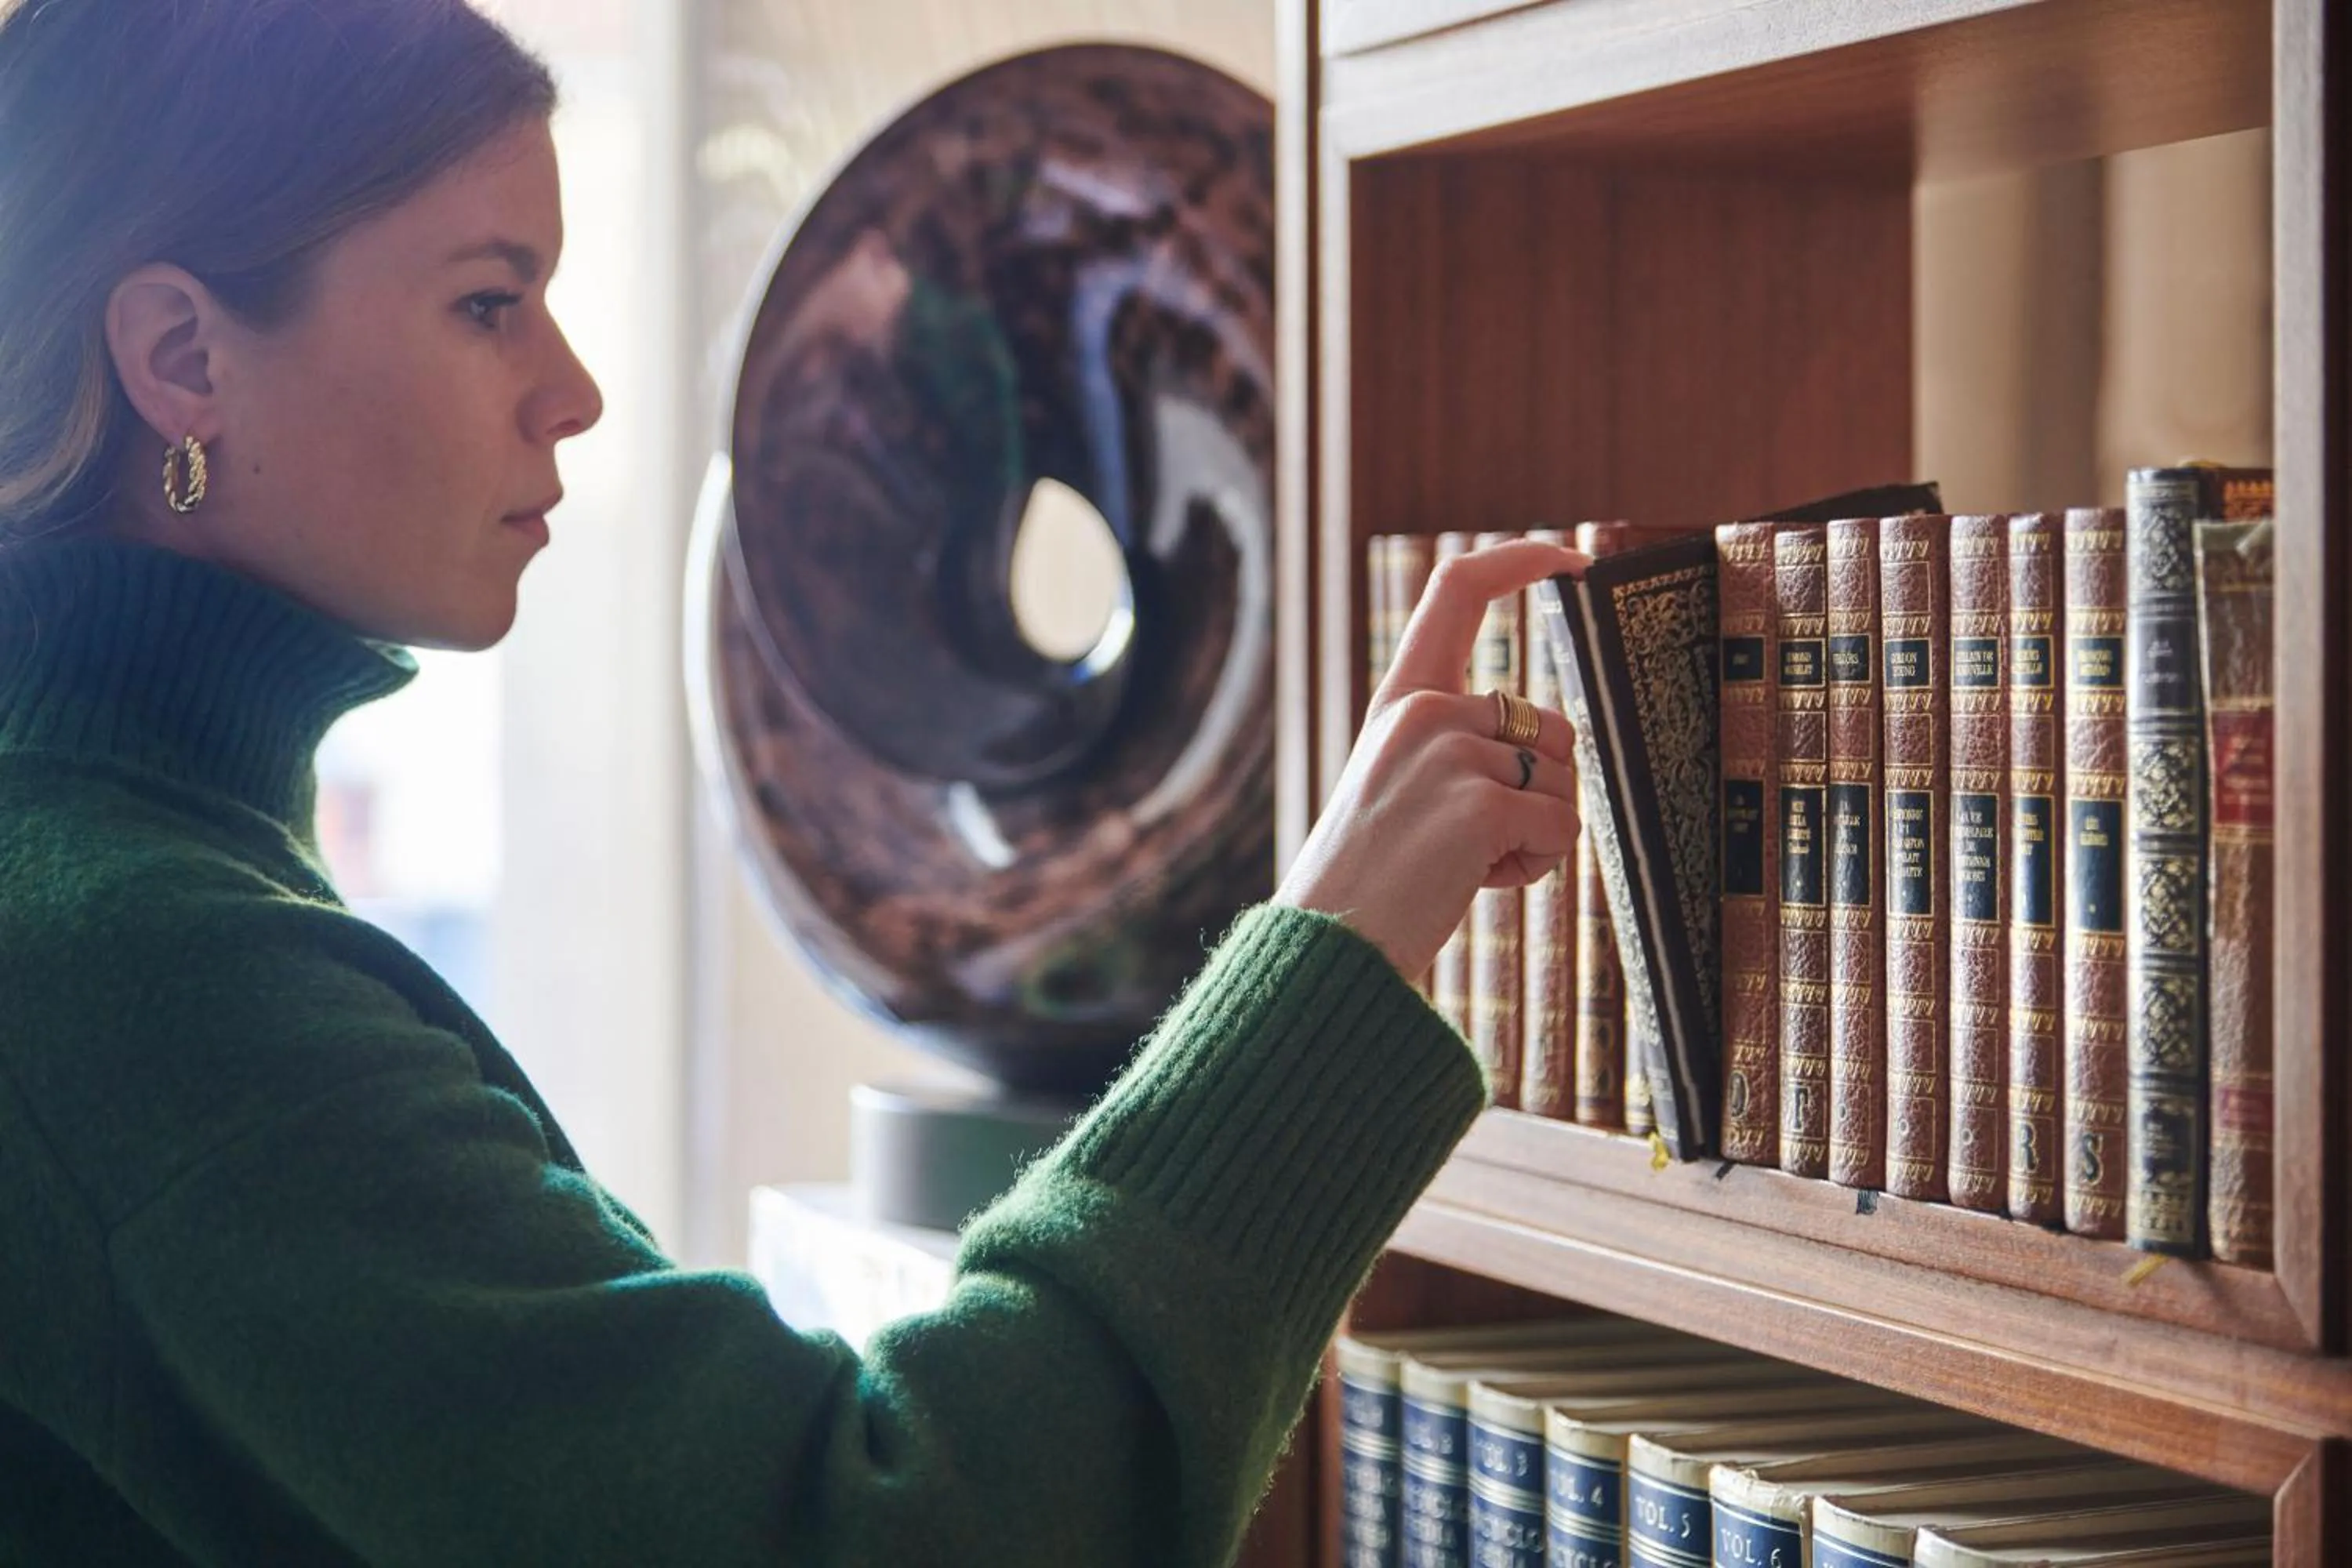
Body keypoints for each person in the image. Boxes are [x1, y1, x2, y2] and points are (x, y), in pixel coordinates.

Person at [0, 2, 1585, 1563]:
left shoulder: (121, 878)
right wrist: (1332, 950)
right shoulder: (139, 975)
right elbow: (907, 1530)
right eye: (492, 302)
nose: (574, 390)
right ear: (183, 357)